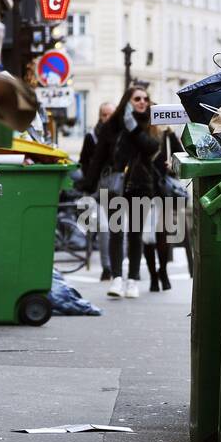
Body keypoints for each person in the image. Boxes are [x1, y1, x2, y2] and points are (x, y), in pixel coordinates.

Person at [82, 83, 160, 299]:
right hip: (114, 186)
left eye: (145, 98)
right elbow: (98, 158)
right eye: (137, 99)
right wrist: (89, 186)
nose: (142, 102)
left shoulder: (149, 124)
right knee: (116, 233)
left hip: (141, 186)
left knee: (135, 235)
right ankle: (117, 278)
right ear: (127, 102)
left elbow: (152, 148)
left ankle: (132, 280)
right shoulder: (111, 127)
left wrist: (132, 126)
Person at [143, 127, 184, 291]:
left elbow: (182, 157)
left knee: (163, 235)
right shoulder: (141, 135)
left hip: (163, 191)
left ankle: (164, 272)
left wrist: (172, 163)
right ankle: (153, 276)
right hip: (144, 190)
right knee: (147, 238)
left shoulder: (168, 135)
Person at [79, 101, 116, 280]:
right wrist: (90, 182)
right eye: (104, 115)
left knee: (118, 229)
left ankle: (117, 267)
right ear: (100, 116)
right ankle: (107, 267)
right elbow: (84, 162)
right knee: (103, 228)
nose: (107, 118)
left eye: (111, 114)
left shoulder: (122, 136)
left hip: (116, 189)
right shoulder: (92, 137)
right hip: (96, 191)